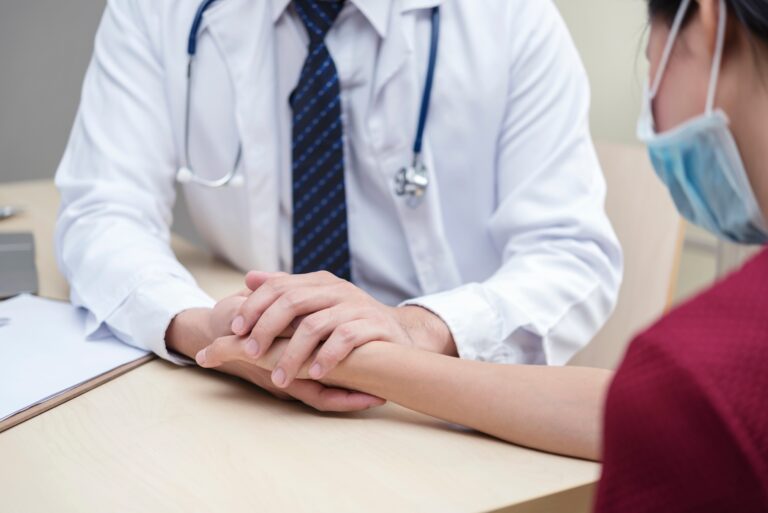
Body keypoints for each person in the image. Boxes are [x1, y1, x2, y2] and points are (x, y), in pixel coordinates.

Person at [199, 0, 768, 508]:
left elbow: (655, 404)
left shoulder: (703, 377)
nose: (648, 84)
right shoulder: (690, 376)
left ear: (709, 20)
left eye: (650, 49)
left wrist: (349, 345)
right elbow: (628, 408)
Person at [54, 0, 622, 411]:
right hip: (258, 381)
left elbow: (570, 254)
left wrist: (418, 329)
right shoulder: (157, 10)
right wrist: (202, 327)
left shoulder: (512, 17)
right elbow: (102, 210)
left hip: (453, 392)